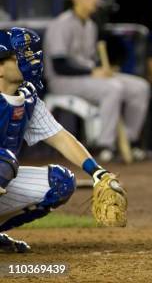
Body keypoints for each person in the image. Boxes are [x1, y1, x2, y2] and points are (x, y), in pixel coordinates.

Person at [0, 27, 125, 252]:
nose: (32, 58)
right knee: (4, 163)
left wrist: (98, 173)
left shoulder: (27, 98)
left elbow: (61, 138)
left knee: (61, 182)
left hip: (3, 172)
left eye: (30, 52)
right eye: (20, 54)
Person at [43, 0, 151, 163]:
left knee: (140, 87)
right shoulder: (61, 24)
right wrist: (93, 72)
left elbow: (90, 62)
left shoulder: (91, 25)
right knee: (112, 88)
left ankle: (128, 141)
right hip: (61, 81)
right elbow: (59, 65)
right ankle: (105, 146)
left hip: (87, 77)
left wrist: (102, 70)